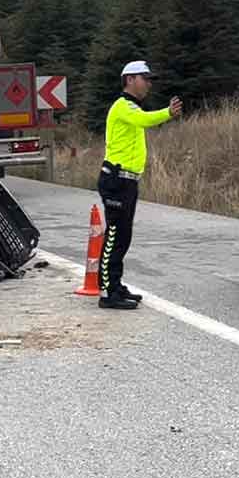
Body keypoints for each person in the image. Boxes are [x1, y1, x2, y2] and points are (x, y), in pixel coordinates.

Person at [97, 60, 182, 310]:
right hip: (116, 180)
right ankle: (108, 292)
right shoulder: (123, 106)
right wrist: (168, 113)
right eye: (145, 78)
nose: (149, 84)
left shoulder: (131, 107)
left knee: (123, 236)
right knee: (115, 236)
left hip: (127, 181)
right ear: (130, 79)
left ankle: (116, 285)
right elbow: (145, 120)